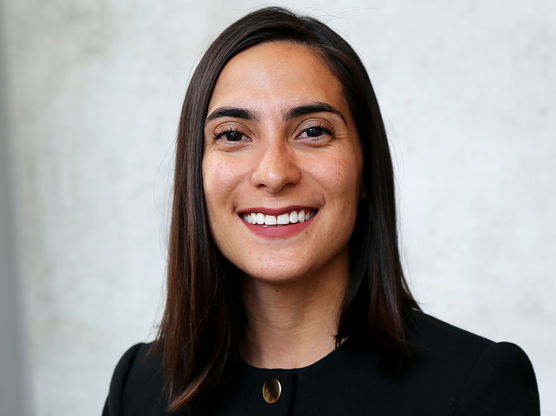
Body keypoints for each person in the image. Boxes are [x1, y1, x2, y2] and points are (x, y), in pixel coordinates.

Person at [103, 7, 540, 415]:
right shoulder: (139, 386)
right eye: (233, 134)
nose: (274, 173)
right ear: (195, 174)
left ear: (367, 169)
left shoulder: (475, 383)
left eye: (312, 131)